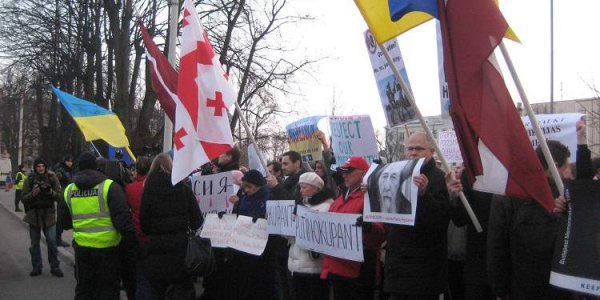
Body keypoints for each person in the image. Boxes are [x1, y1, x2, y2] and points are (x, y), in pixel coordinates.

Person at [486, 133, 592, 300]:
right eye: (565, 166)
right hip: (556, 287)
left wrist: (500, 289)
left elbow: (496, 247)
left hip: (523, 287)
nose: (567, 172)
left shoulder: (508, 194)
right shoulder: (565, 194)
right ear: (555, 165)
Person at [384, 132, 453, 300]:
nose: (413, 153)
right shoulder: (397, 174)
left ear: (431, 151)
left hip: (424, 270)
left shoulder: (438, 178)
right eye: (410, 148)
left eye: (419, 149)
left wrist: (424, 195)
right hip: (398, 265)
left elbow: (440, 221)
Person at [61, 152, 138, 299]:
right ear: (96, 167)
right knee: (108, 291)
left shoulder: (69, 190)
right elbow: (122, 221)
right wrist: (132, 245)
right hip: (108, 249)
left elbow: (64, 223)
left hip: (82, 248)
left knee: (84, 290)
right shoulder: (110, 187)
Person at [321, 156, 385, 300]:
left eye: (349, 171)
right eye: (343, 172)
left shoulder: (371, 197)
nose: (344, 175)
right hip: (337, 266)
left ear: (363, 173)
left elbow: (380, 234)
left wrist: (368, 227)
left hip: (358, 270)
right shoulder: (339, 199)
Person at [140, 153, 202, 299]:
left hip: (156, 251)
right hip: (181, 252)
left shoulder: (148, 191)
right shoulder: (183, 189)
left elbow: (144, 225)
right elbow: (197, 220)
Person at [228, 169, 274, 300]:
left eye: (249, 186)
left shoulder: (268, 197)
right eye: (245, 187)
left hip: (260, 248)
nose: (247, 190)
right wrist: (236, 206)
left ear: (258, 184)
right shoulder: (244, 197)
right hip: (243, 246)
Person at [288, 172, 334, 300]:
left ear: (316, 188)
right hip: (296, 264)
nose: (301, 191)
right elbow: (289, 237)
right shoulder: (300, 205)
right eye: (300, 187)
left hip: (314, 266)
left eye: (305, 187)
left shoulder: (327, 206)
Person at [21, 157, 64, 277]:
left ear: (45, 167)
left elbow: (60, 197)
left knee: (51, 241)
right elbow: (24, 198)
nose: (40, 168)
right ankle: (36, 267)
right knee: (34, 243)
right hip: (33, 215)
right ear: (35, 167)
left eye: (42, 166)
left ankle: (55, 266)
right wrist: (33, 193)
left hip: (49, 214)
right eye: (38, 166)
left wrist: (51, 192)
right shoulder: (29, 179)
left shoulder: (52, 177)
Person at [124, 156, 152, 300]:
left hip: (137, 235)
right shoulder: (154, 187)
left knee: (140, 275)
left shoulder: (129, 188)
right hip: (154, 237)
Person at [53, 154, 74, 247]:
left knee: (64, 219)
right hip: (62, 198)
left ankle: (57, 238)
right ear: (64, 161)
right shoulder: (60, 170)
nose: (70, 163)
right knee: (61, 219)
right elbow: (55, 181)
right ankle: (57, 239)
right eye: (68, 161)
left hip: (68, 196)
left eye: (71, 161)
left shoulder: (68, 170)